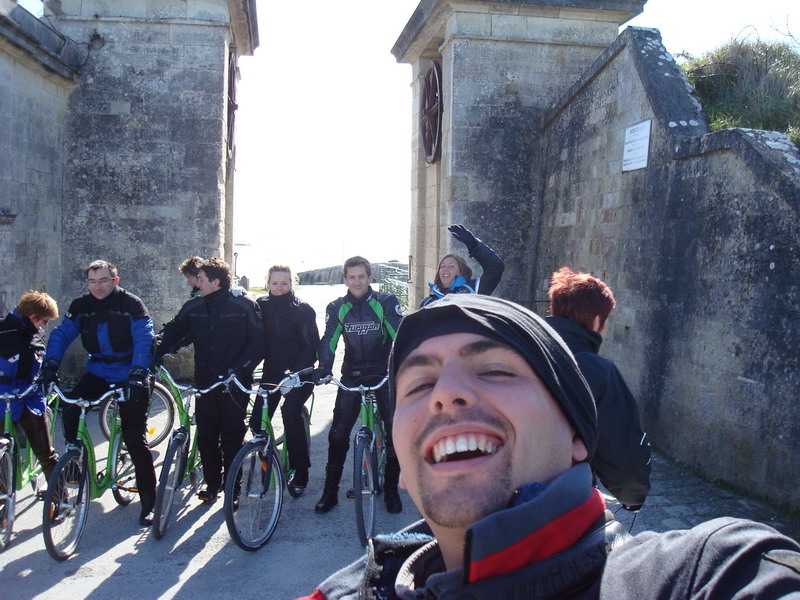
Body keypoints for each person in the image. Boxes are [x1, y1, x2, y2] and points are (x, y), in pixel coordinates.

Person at [301, 294, 800, 600]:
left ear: (579, 437)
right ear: (405, 469)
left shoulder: (701, 573)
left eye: (495, 370)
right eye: (419, 384)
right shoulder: (342, 590)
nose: (445, 393)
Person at [41, 260, 157, 526]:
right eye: (92, 282)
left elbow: (144, 337)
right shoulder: (81, 306)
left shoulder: (131, 304)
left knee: (134, 438)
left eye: (103, 281)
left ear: (115, 281)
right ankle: (75, 459)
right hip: (99, 371)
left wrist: (138, 371)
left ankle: (149, 502)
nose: (98, 287)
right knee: (70, 407)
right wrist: (50, 364)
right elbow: (62, 334)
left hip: (130, 373)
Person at [154, 257, 263, 505]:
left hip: (235, 383)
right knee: (206, 436)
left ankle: (232, 489)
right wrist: (154, 350)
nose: (197, 284)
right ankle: (212, 485)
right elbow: (173, 331)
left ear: (216, 281)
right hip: (205, 380)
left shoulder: (244, 305)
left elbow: (258, 343)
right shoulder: (194, 306)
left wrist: (239, 369)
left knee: (232, 438)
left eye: (201, 280)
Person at [546, 266, 651, 509]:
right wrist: (633, 498)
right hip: (563, 502)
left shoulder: (518, 351)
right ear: (596, 322)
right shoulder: (597, 371)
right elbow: (623, 453)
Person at [312, 256, 403, 514]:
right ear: (345, 279)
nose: (357, 282)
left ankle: (391, 490)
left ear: (370, 277)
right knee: (338, 434)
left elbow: (399, 335)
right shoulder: (337, 307)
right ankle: (330, 492)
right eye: (351, 277)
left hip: (383, 372)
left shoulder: (386, 302)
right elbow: (329, 339)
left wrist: (404, 366)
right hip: (352, 374)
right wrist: (324, 368)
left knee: (394, 431)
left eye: (361, 276)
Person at [253, 265, 319, 494]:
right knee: (257, 422)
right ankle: (268, 460)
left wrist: (297, 373)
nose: (279, 288)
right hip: (272, 372)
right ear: (267, 284)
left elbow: (312, 346)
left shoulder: (303, 309)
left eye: (284, 283)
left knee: (290, 411)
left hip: (300, 374)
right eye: (275, 283)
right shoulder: (260, 306)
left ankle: (300, 469)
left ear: (292, 283)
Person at [0, 291, 59, 490]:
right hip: (3, 396)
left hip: (28, 397)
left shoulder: (37, 335)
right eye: (44, 320)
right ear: (32, 316)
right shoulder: (3, 330)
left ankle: (60, 498)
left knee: (45, 453)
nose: (45, 325)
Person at [419, 224, 505, 307]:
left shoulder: (474, 290)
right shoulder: (427, 303)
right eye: (443, 266)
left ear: (461, 271)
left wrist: (474, 245)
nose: (445, 269)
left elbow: (496, 268)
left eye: (451, 266)